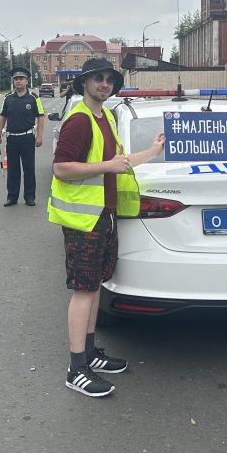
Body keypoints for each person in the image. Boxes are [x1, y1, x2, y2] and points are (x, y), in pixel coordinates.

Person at [49, 57, 165, 397]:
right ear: (84, 83)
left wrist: (152, 152)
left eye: (110, 79)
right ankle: (76, 368)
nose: (105, 83)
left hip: (104, 215)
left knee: (95, 285)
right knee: (83, 290)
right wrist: (106, 166)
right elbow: (61, 169)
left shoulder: (106, 117)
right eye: (98, 78)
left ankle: (89, 353)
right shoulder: (79, 120)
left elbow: (119, 164)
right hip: (83, 220)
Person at [0, 66, 45, 206]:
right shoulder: (8, 98)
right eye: (16, 79)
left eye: (21, 78)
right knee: (12, 170)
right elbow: (2, 116)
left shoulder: (33, 98)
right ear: (13, 81)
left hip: (27, 138)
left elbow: (41, 117)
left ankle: (29, 197)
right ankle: (12, 197)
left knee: (29, 169)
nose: (18, 81)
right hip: (12, 138)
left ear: (26, 81)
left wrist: (39, 136)